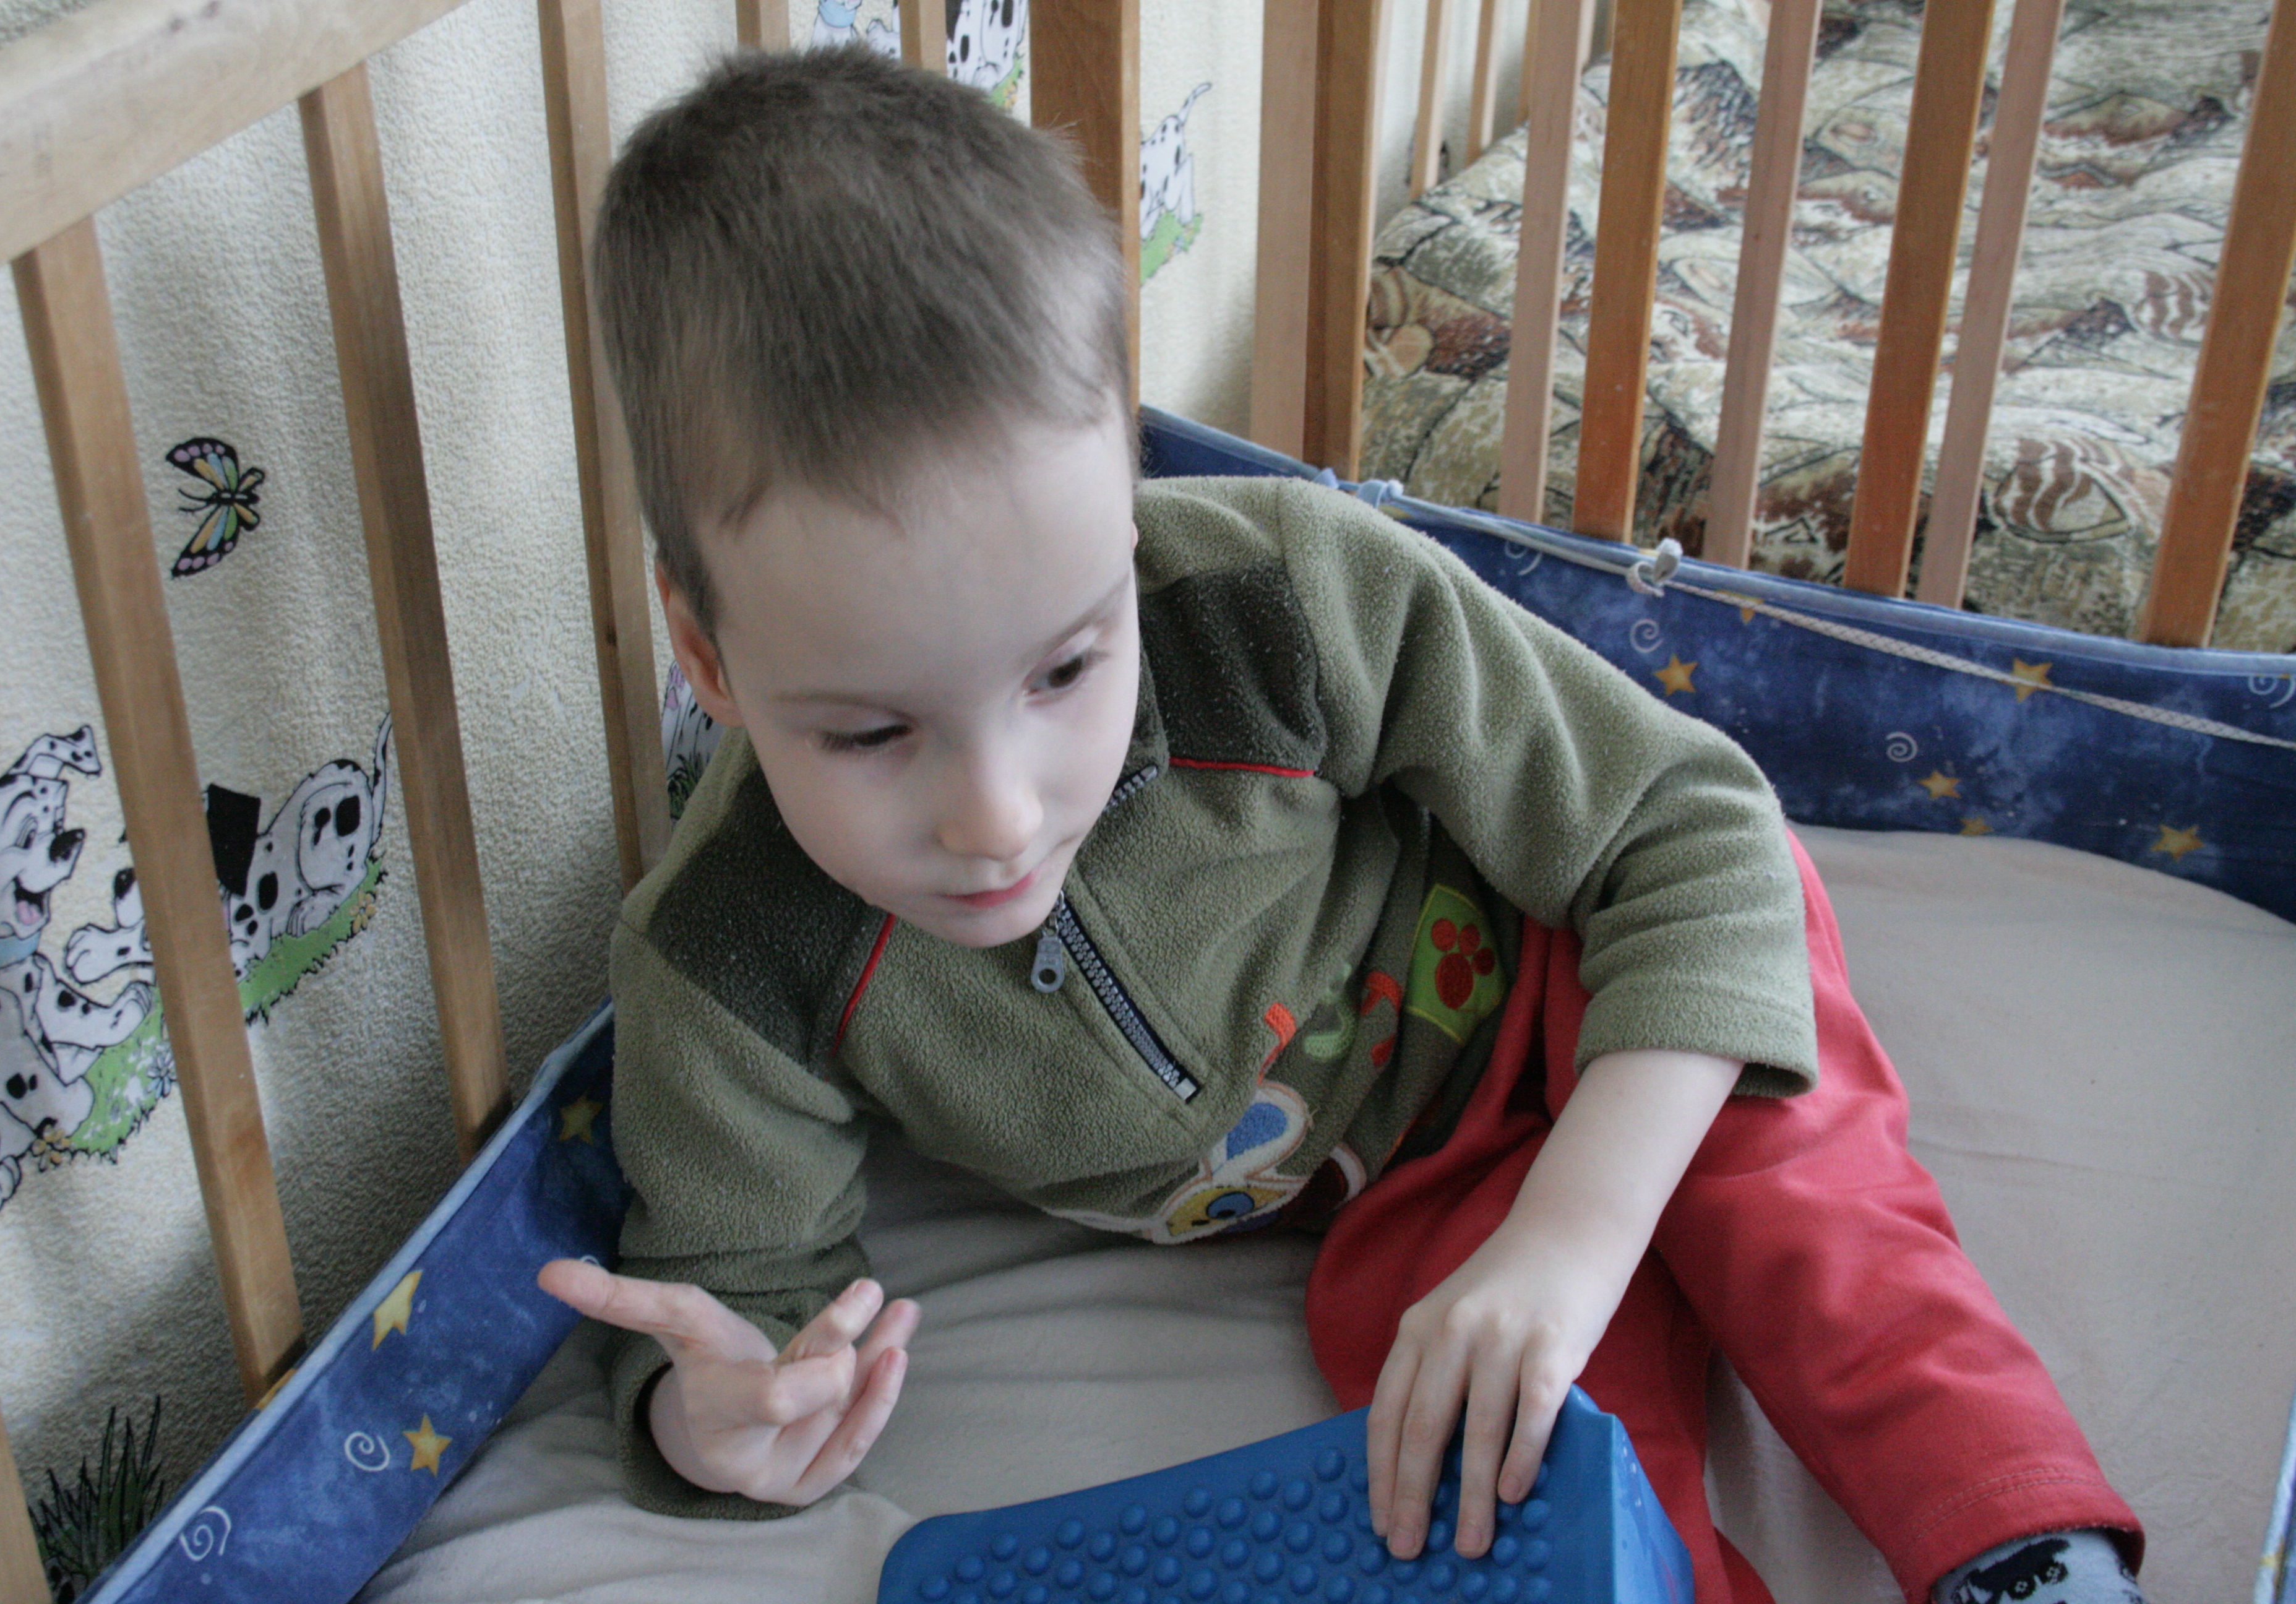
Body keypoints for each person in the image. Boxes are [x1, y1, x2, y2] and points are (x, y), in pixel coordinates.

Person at [534, 45, 2147, 1604]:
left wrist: (1578, 1235)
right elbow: (738, 1308)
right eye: (872, 733)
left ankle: (2024, 1563)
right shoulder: (724, 958)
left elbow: (1692, 832)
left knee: (1799, 1207)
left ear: (1123, 505)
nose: (996, 816)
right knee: (1483, 1471)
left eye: (1070, 668)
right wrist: (716, 1424)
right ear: (706, 654)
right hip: (1399, 1199)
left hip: (1588, 969)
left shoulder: (1283, 598)